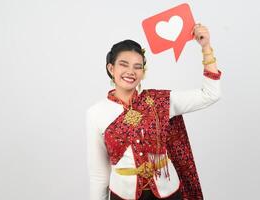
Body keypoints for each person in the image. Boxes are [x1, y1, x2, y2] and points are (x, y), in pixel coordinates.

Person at [86, 23, 222, 200]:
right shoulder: (96, 113)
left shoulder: (161, 101)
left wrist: (206, 48)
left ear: (143, 72)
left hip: (169, 193)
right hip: (123, 195)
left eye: (137, 66)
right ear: (111, 69)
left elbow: (210, 94)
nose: (130, 71)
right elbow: (98, 175)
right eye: (124, 65)